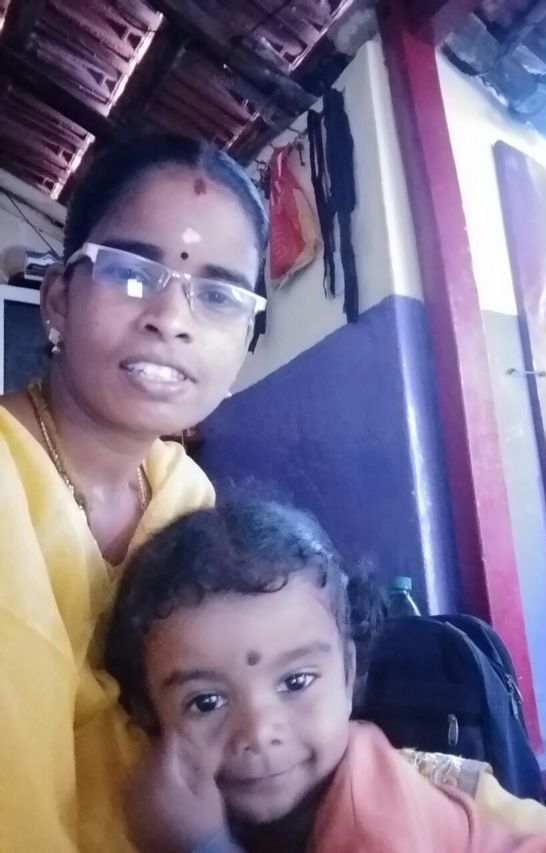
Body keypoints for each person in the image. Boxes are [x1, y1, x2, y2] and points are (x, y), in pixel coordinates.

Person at [0, 133, 268, 852]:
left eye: (218, 295)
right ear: (59, 298)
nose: (171, 319)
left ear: (245, 339)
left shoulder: (185, 496)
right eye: (128, 272)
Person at [104, 498, 546, 853]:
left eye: (295, 682)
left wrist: (201, 846)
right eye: (206, 702)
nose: (259, 732)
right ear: (144, 713)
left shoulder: (372, 814)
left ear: (349, 672)